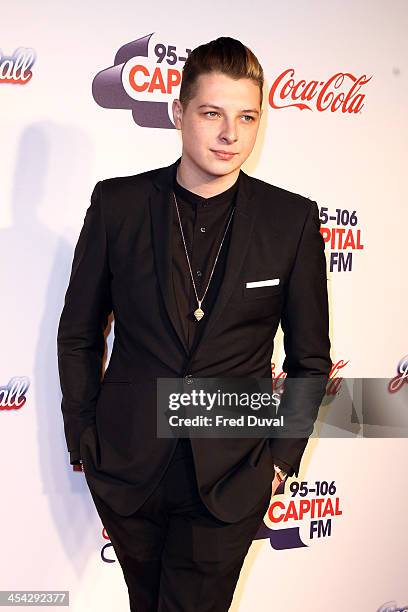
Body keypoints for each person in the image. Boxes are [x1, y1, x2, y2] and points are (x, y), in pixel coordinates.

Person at [57, 36, 331, 612]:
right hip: (128, 462)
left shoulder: (292, 221)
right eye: (212, 113)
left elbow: (310, 360)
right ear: (179, 113)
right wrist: (84, 434)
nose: (230, 134)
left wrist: (281, 460)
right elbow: (80, 332)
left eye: (247, 117)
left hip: (232, 472)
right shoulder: (118, 205)